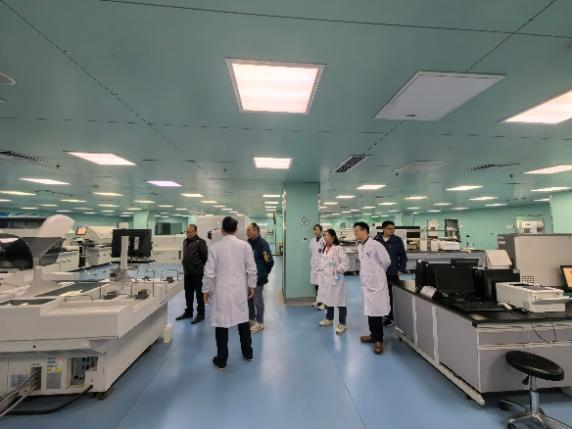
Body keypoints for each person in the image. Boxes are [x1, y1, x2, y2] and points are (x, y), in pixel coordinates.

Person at [203, 216, 257, 370]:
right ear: (237, 230)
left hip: (221, 290)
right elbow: (251, 268)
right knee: (243, 321)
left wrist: (206, 290)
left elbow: (209, 273)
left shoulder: (215, 248)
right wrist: (251, 286)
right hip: (239, 289)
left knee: (221, 324)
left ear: (221, 230)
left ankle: (221, 359)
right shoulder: (245, 246)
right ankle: (248, 353)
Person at [353, 221, 391, 355]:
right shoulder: (360, 246)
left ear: (364, 230)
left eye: (356, 231)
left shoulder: (376, 244)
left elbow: (386, 261)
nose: (355, 233)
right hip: (367, 284)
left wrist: (377, 274)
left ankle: (379, 340)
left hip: (377, 284)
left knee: (377, 313)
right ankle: (372, 335)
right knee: (370, 311)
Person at [374, 220, 407, 326]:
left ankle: (390, 317)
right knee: (380, 295)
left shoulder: (397, 240)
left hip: (392, 273)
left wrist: (401, 269)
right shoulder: (376, 240)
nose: (392, 230)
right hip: (379, 273)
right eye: (389, 228)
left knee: (391, 296)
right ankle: (382, 314)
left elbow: (403, 256)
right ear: (383, 229)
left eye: (393, 229)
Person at [317, 229, 349, 335]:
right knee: (328, 298)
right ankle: (329, 319)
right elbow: (323, 262)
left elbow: (345, 262)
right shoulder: (325, 247)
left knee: (340, 301)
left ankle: (342, 323)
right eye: (324, 236)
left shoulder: (338, 248)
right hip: (326, 279)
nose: (324, 237)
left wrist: (337, 269)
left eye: (326, 235)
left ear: (333, 237)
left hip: (336, 278)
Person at [176, 224, 208, 324]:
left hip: (197, 273)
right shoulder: (185, 241)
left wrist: (198, 266)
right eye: (187, 232)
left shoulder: (200, 242)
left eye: (190, 232)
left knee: (199, 294)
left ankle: (201, 314)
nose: (188, 234)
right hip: (187, 272)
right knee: (188, 294)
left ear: (195, 232)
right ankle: (188, 312)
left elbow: (205, 257)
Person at [246, 222, 274, 334]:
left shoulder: (262, 243)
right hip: (249, 276)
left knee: (257, 299)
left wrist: (264, 273)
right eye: (247, 230)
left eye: (249, 230)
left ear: (255, 231)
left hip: (259, 277)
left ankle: (260, 322)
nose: (247, 232)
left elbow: (269, 261)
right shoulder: (248, 243)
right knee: (249, 298)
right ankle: (251, 318)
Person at [310, 224, 325, 310]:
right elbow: (312, 253)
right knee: (316, 284)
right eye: (314, 230)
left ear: (321, 230)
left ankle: (323, 303)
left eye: (317, 229)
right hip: (314, 265)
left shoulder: (324, 240)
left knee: (321, 285)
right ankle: (318, 301)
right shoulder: (312, 240)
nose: (315, 231)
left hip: (322, 266)